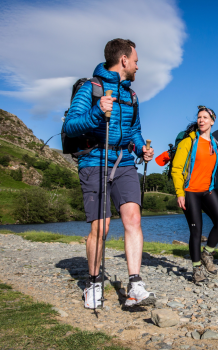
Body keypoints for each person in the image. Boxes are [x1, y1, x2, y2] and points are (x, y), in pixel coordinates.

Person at [64, 38, 156, 308]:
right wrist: (96, 112)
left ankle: (135, 286)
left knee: (133, 219)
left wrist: (141, 150)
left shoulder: (131, 95)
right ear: (124, 60)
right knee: (101, 226)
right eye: (136, 60)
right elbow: (70, 126)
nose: (138, 66)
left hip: (125, 162)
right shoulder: (90, 87)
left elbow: (135, 131)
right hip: (94, 161)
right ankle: (93, 284)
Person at [172, 106, 218, 285]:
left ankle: (207, 253)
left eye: (205, 117)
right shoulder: (188, 142)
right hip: (190, 192)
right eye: (199, 117)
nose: (201, 120)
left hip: (208, 190)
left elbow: (217, 173)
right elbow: (177, 169)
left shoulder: (216, 145)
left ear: (212, 121)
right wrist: (180, 193)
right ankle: (196, 269)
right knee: (196, 230)